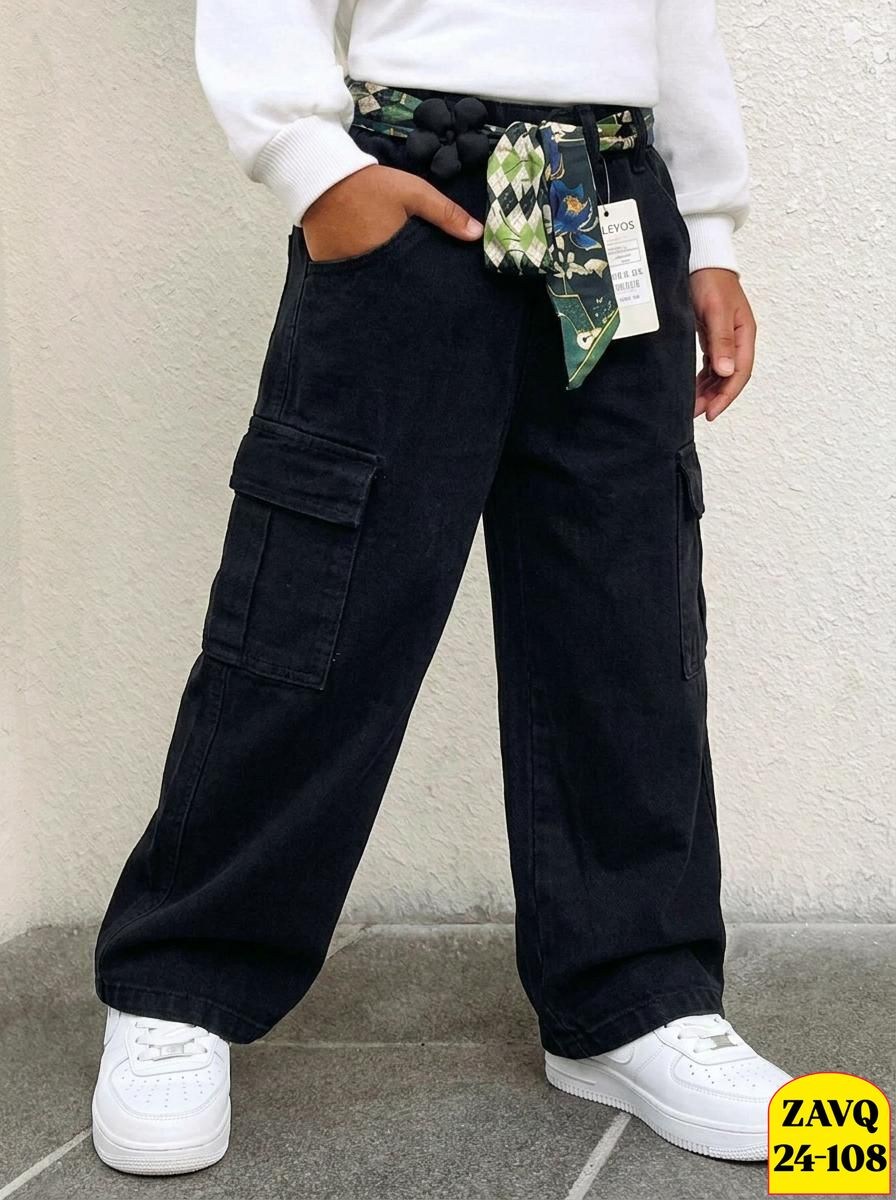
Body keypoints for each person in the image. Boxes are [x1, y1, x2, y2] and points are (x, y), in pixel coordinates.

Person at [90, 0, 791, 1176]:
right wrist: (316, 168)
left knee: (623, 611)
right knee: (317, 600)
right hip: (418, 186)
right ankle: (181, 983)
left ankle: (634, 998)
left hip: (609, 198)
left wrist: (711, 232)